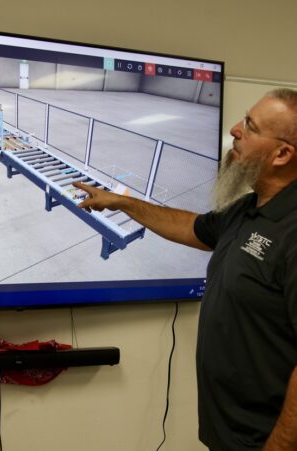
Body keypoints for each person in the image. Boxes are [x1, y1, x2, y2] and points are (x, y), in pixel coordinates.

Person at [73, 88, 297, 451]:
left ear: (282, 154)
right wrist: (123, 202)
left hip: (268, 439)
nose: (236, 130)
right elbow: (191, 226)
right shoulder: (249, 208)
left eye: (251, 127)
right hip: (230, 431)